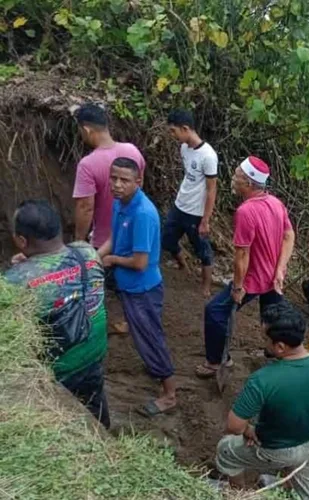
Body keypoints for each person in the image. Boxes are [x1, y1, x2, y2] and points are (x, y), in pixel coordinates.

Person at [213, 301, 309, 500]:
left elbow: (234, 425)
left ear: (280, 346)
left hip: (276, 449)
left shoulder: (263, 379)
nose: (264, 342)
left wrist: (249, 431)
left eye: (266, 338)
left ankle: (238, 494)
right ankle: (295, 487)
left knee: (225, 450)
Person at [4, 200, 110, 428]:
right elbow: (64, 260)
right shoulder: (88, 252)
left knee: (62, 418)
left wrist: (24, 267)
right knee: (94, 404)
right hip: (94, 351)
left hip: (60, 367)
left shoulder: (16, 281)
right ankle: (103, 431)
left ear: (22, 241)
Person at [196, 156, 295, 378]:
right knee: (274, 318)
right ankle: (282, 356)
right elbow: (289, 235)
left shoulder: (246, 212)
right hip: (272, 278)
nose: (233, 178)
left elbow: (242, 255)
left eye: (237, 175)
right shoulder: (275, 203)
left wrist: (238, 287)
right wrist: (280, 269)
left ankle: (215, 361)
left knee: (215, 311)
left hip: (254, 279)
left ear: (249, 183)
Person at [97, 157, 176, 417]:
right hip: (126, 282)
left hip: (142, 287)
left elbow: (140, 262)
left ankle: (169, 394)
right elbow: (113, 239)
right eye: (114, 178)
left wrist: (111, 260)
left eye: (124, 180)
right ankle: (133, 327)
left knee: (151, 340)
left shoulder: (143, 213)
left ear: (138, 182)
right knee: (145, 331)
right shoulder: (120, 204)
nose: (117, 185)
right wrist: (95, 257)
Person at [72, 103, 146, 251]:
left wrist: (78, 241)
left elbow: (86, 208)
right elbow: (139, 187)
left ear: (86, 130)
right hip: (133, 233)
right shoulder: (133, 151)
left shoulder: (87, 165)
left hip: (103, 242)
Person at [162, 109, 218, 298]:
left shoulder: (208, 156)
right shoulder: (184, 148)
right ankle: (183, 266)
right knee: (167, 239)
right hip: (180, 204)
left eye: (173, 131)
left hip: (196, 211)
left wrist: (206, 219)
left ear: (185, 128)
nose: (172, 135)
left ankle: (205, 286)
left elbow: (211, 189)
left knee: (203, 250)